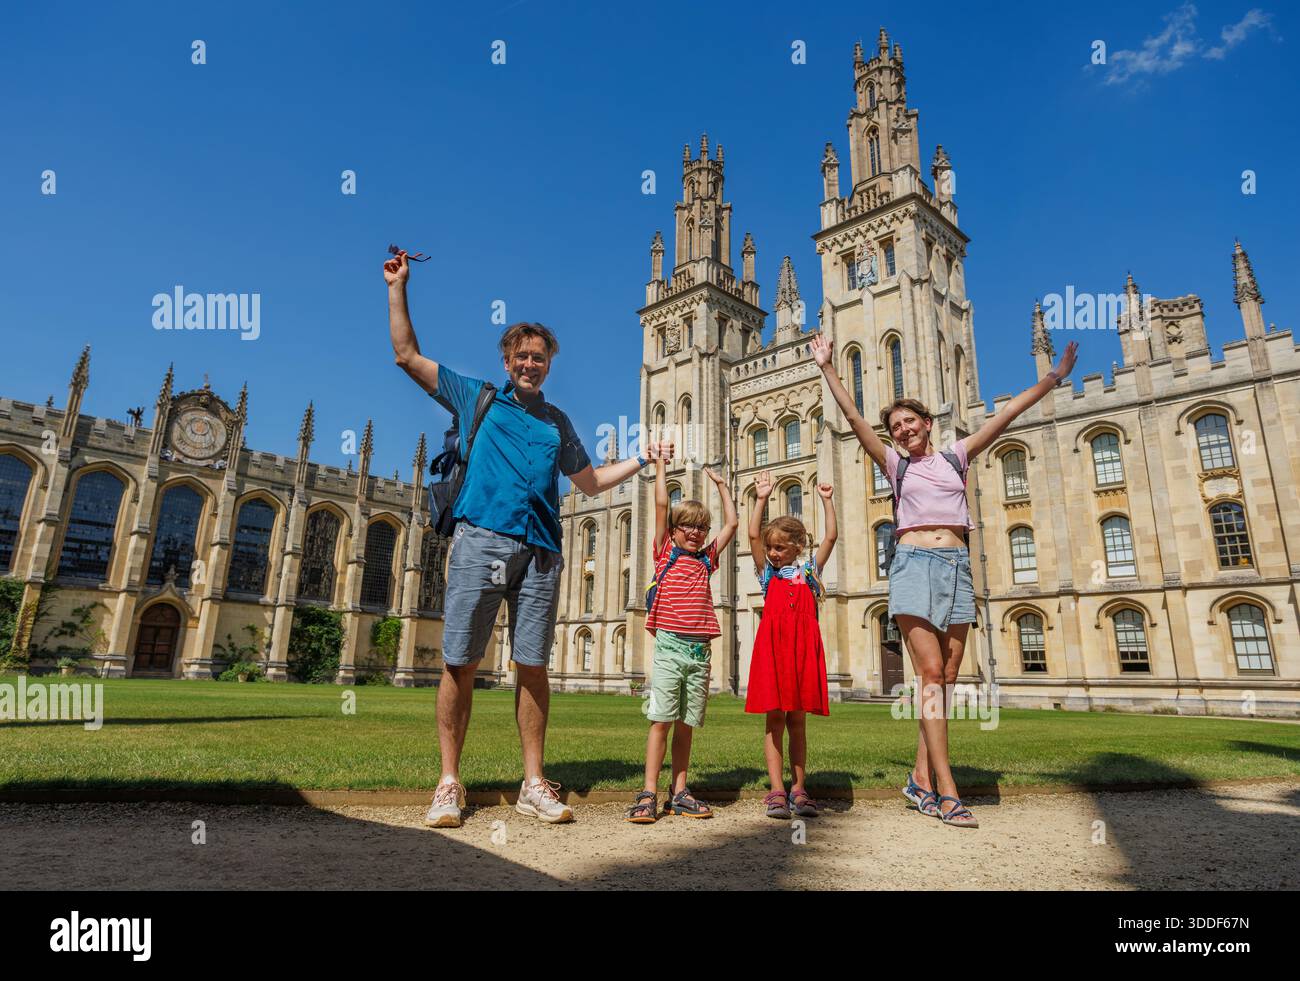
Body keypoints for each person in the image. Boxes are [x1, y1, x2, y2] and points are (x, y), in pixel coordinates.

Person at [384, 248, 659, 828]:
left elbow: (588, 484)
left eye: (540, 357)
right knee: (460, 661)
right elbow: (406, 355)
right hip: (482, 540)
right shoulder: (476, 395)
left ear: (549, 364)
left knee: (533, 665)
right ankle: (449, 783)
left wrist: (641, 458)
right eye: (522, 356)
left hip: (542, 553)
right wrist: (398, 286)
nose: (531, 364)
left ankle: (534, 781)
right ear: (508, 360)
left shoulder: (557, 422)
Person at [810, 332, 1077, 828]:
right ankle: (948, 790)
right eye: (895, 426)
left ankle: (919, 779)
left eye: (910, 422)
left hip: (956, 568)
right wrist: (828, 368)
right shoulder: (893, 466)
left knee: (948, 678)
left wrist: (1054, 377)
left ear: (927, 424)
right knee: (930, 675)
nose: (903, 430)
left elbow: (1006, 416)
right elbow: (852, 418)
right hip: (911, 563)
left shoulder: (956, 456)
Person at [625, 458, 738, 823]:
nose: (696, 532)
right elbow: (660, 505)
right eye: (688, 526)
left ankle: (680, 791)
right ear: (673, 531)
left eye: (702, 527)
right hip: (670, 648)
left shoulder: (706, 560)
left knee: (686, 725)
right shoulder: (664, 555)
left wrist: (721, 484)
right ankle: (648, 792)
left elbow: (732, 523)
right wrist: (659, 467)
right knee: (660, 721)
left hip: (699, 652)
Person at [744, 471, 837, 819]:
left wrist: (827, 500)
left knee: (797, 720)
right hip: (774, 649)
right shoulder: (767, 574)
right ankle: (776, 790)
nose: (773, 552)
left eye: (780, 547)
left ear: (798, 546)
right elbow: (753, 533)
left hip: (801, 649)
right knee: (774, 720)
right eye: (770, 548)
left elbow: (831, 536)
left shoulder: (810, 571)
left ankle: (799, 788)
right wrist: (762, 498)